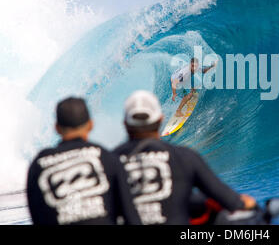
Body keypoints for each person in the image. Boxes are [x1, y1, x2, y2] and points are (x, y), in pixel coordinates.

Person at [114, 90, 256, 225]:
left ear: (125, 124)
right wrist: (250, 204)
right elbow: (232, 202)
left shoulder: (108, 161)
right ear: (161, 119)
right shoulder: (185, 157)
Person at [26, 97, 142, 225]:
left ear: (57, 128)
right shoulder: (106, 158)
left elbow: (37, 217)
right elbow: (130, 216)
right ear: (90, 125)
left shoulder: (38, 165)